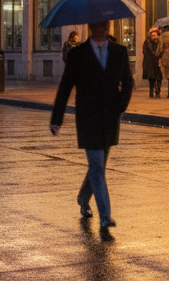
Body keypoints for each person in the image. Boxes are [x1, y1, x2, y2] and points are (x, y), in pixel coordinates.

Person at [50, 21, 134, 233]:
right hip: (88, 117)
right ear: (91, 27)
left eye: (105, 25)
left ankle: (82, 198)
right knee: (97, 167)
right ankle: (105, 216)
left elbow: (128, 82)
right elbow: (65, 86)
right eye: (98, 25)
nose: (102, 29)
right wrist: (56, 118)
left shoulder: (119, 51)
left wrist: (121, 104)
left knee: (98, 166)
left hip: (109, 117)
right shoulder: (78, 55)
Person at [142, 28, 163, 97]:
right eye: (153, 35)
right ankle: (151, 92)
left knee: (159, 77)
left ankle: (158, 91)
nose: (154, 37)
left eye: (155, 35)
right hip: (150, 61)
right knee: (151, 78)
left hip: (157, 61)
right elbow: (144, 51)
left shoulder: (160, 42)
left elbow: (162, 51)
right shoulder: (147, 42)